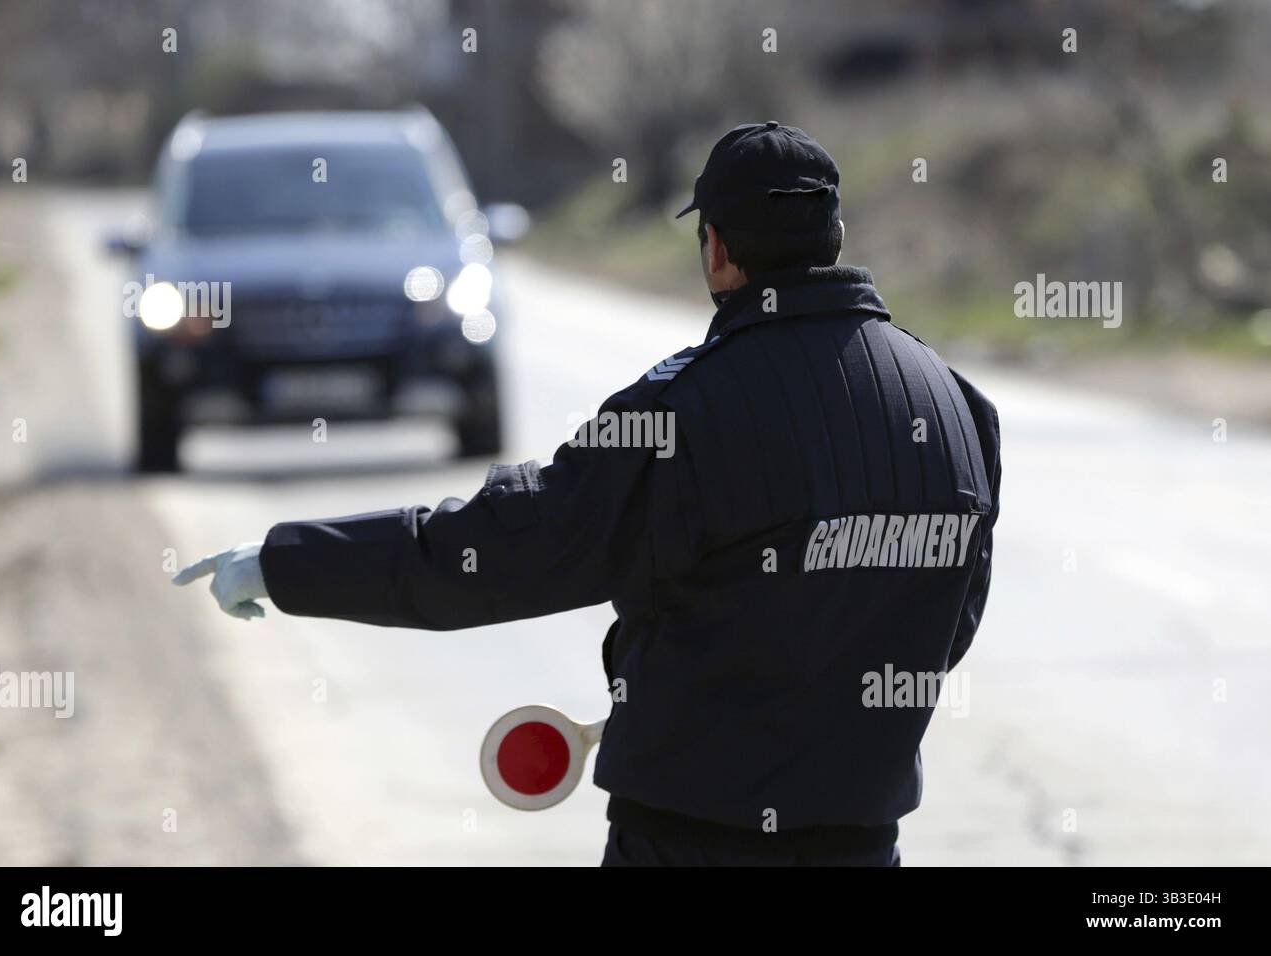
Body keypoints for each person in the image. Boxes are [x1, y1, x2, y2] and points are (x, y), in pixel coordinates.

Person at [175, 122, 1001, 867]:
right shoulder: (957, 403)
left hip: (687, 844)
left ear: (716, 250)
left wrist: (286, 564)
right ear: (835, 235)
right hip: (865, 843)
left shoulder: (682, 414)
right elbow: (944, 626)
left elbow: (495, 550)